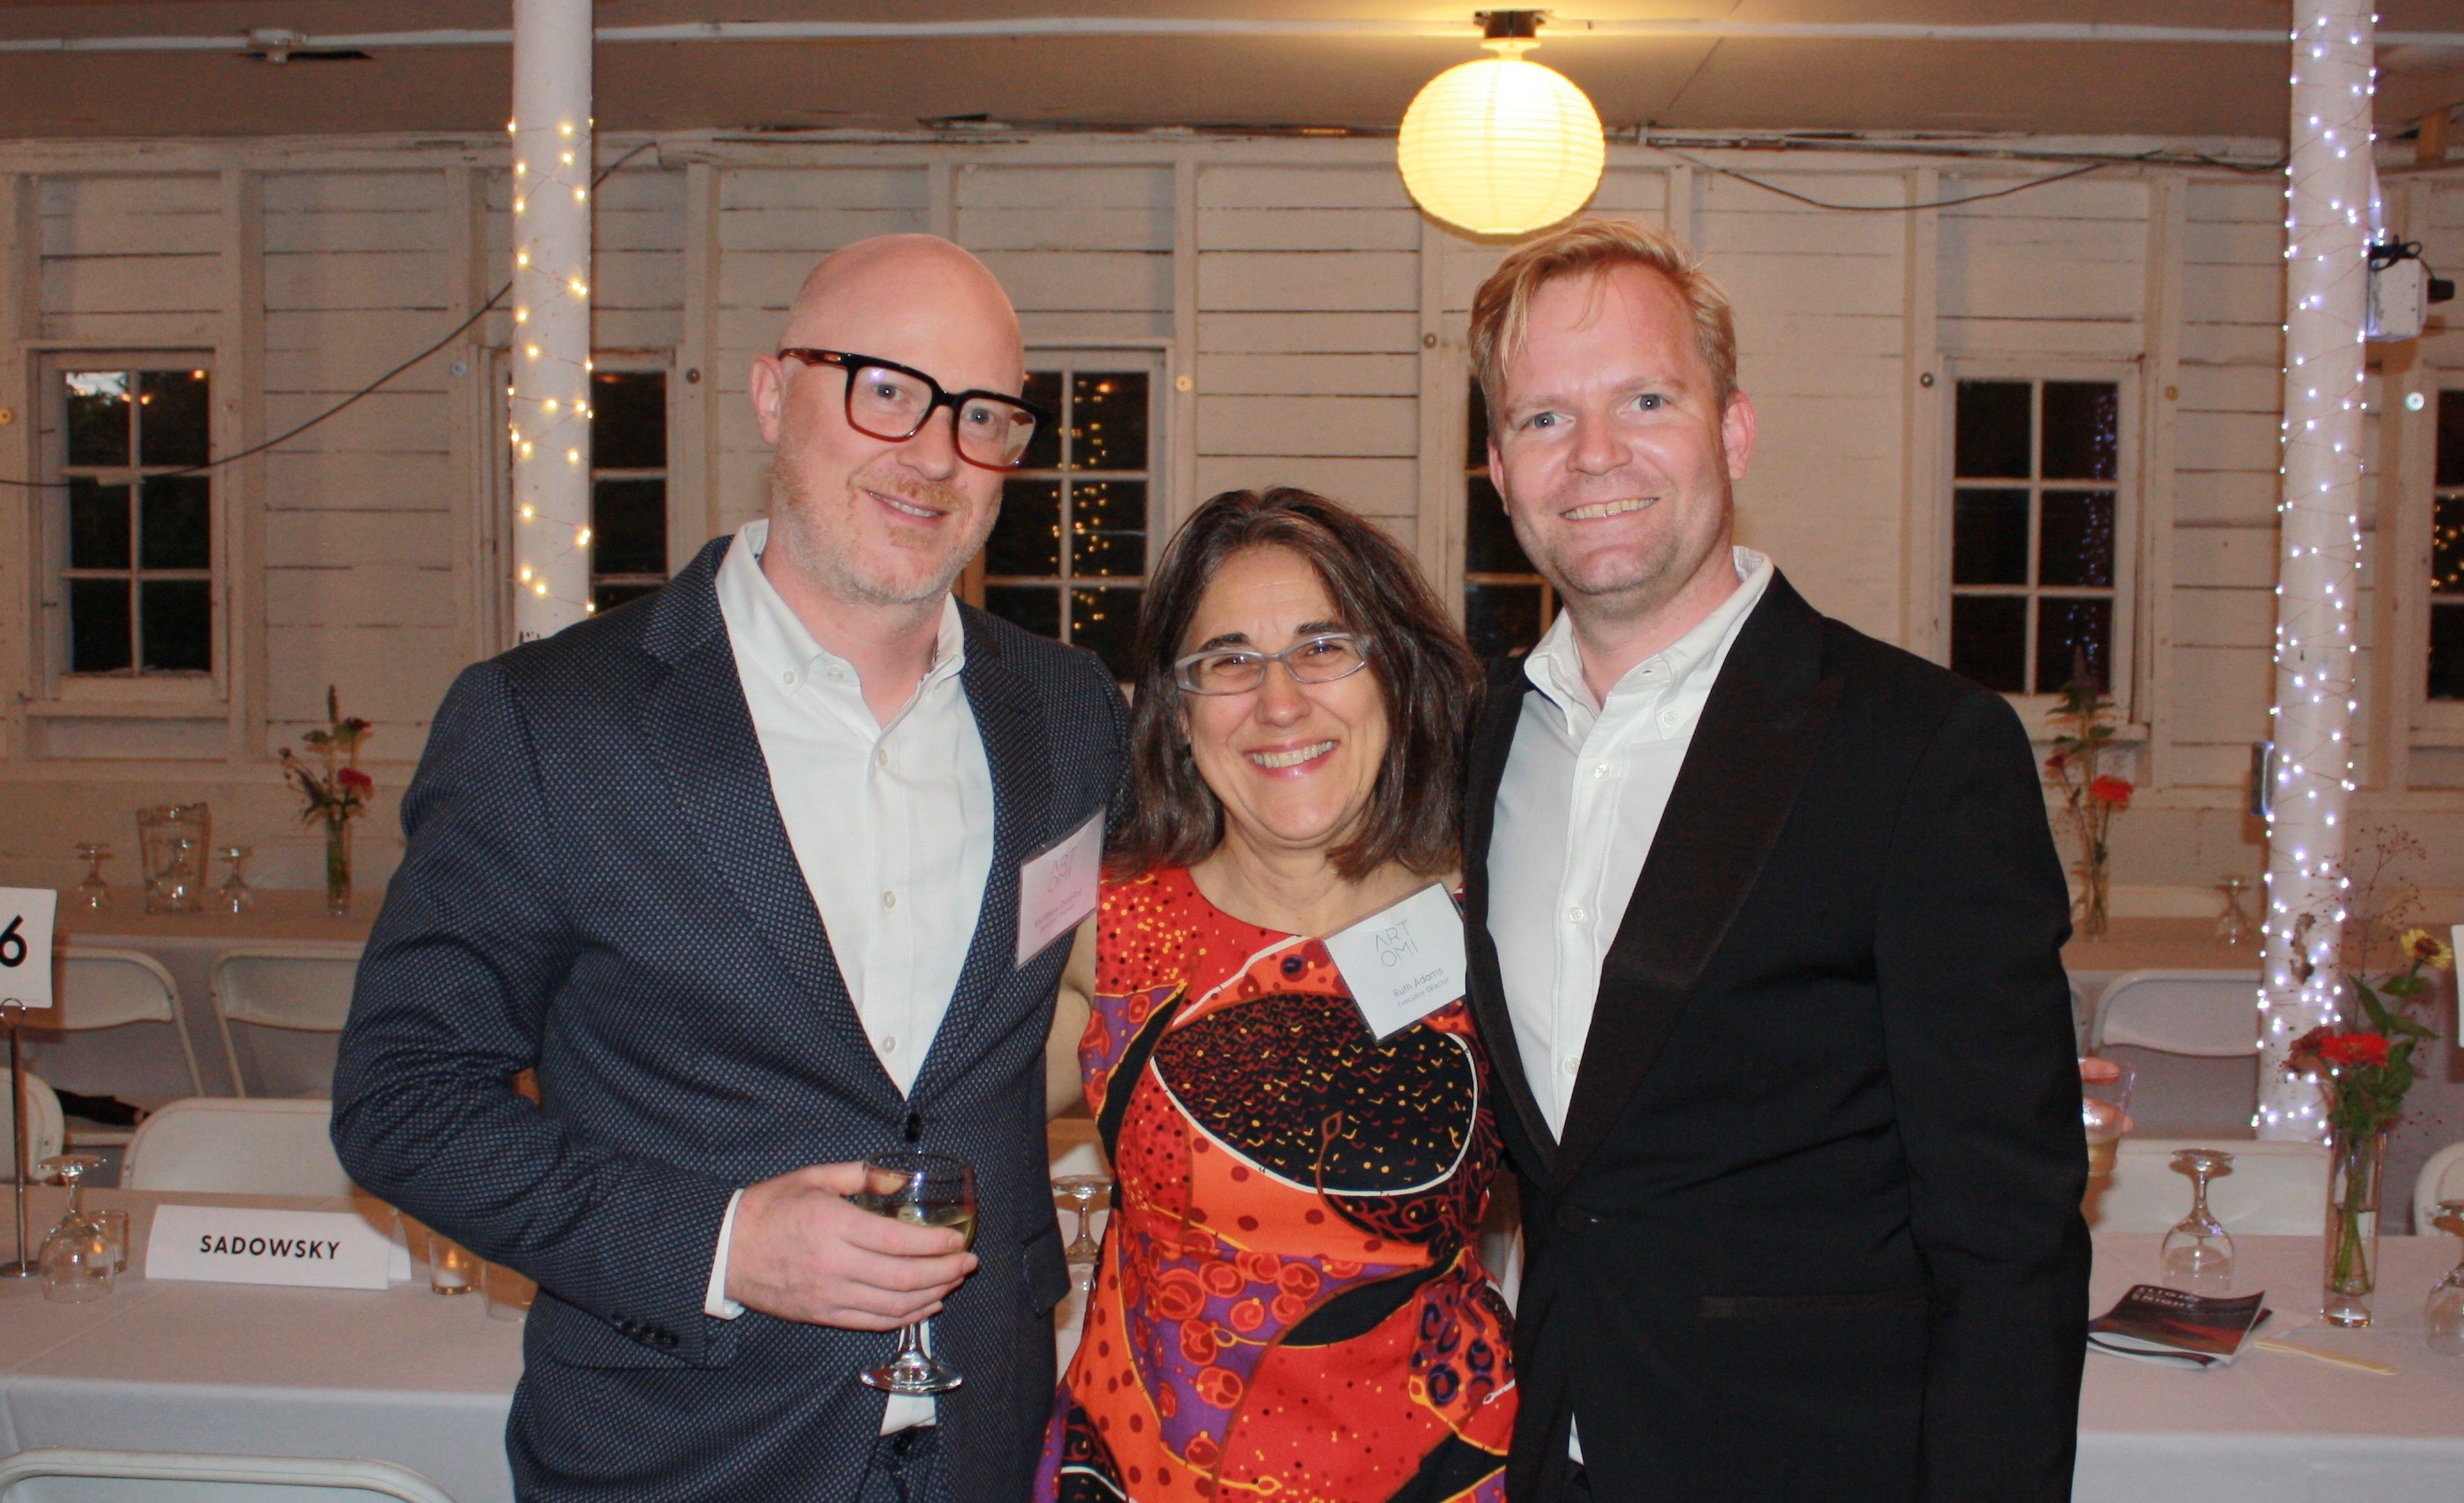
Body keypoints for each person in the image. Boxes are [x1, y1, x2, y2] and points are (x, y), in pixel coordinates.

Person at [331, 234, 1128, 1502]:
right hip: (681, 1448)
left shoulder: (1070, 713)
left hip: (984, 1441)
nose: (932, 452)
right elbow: (403, 1100)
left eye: (981, 416)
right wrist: (723, 1239)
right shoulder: (550, 722)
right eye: (882, 387)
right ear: (770, 392)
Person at [1457, 219, 2090, 1502]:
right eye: (1541, 420)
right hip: (1553, 1449)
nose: (1594, 457)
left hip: (1816, 1460)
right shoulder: (1480, 737)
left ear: (1730, 430)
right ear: (1496, 469)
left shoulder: (1916, 745)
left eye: (1644, 399)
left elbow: (2007, 1234)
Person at [1036, 488, 1514, 1503]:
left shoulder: (1500, 927)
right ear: (1174, 706)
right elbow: (909, 1106)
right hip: (1148, 1476)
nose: (1280, 701)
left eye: (1322, 645)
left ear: (1395, 671)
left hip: (1446, 1473)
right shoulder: (1099, 924)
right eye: (1228, 661)